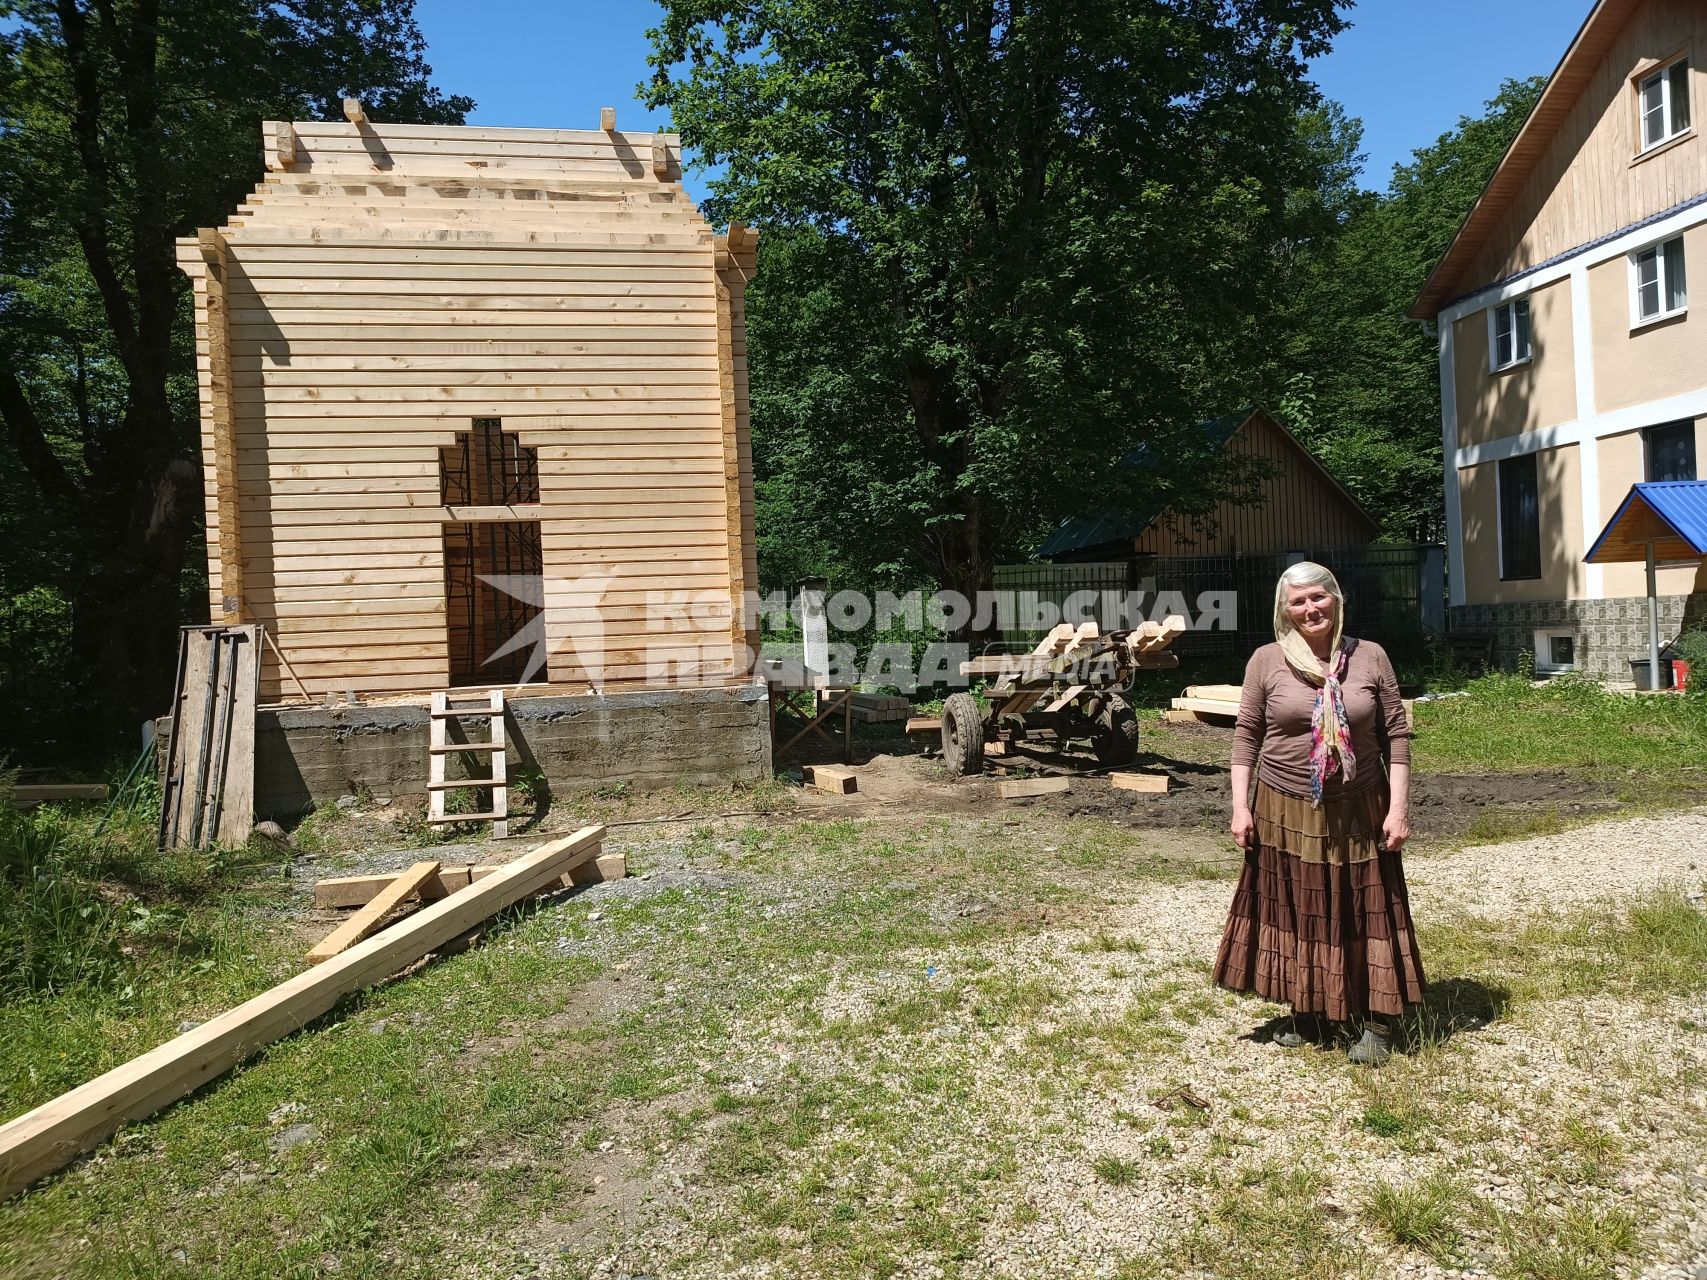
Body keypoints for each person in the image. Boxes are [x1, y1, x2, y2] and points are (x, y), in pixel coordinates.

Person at [1211, 561, 1425, 1065]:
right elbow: (1247, 737)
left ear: (1336, 599)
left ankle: (1378, 1019)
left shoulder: (1369, 657)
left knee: (1365, 906)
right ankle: (1310, 1010)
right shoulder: (1266, 661)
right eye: (1299, 601)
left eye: (1318, 598)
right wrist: (1240, 807)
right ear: (1285, 610)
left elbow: (1396, 736)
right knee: (1299, 906)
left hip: (1359, 806)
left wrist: (1398, 810)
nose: (1311, 609)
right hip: (1284, 807)